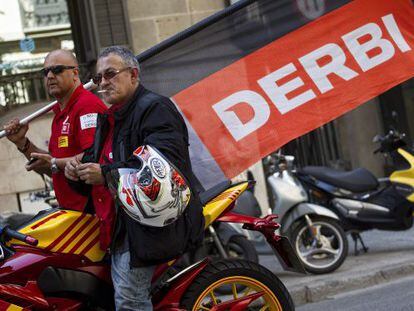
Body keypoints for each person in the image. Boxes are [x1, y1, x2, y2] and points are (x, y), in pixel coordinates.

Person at [64, 46, 205, 310]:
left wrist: (104, 175)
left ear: (134, 75)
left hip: (146, 227)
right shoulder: (107, 118)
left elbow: (163, 168)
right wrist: (76, 172)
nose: (104, 82)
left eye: (110, 74)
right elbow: (95, 168)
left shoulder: (155, 108)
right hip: (117, 226)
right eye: (98, 78)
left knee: (129, 301)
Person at [3, 49, 107, 212]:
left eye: (57, 70)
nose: (50, 76)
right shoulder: (60, 113)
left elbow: (93, 158)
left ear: (75, 73)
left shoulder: (86, 106)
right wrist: (22, 142)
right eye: (46, 72)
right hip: (71, 211)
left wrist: (53, 162)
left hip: (91, 212)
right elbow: (55, 169)